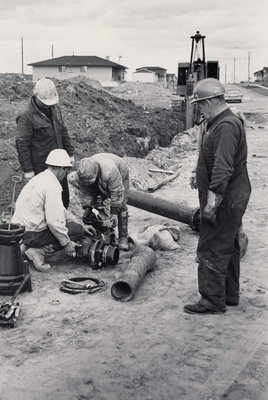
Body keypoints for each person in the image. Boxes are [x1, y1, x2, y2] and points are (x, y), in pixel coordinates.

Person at [183, 78, 251, 314]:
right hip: (230, 195)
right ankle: (229, 295)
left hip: (226, 198)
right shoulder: (220, 123)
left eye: (201, 105)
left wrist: (212, 204)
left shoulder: (225, 126)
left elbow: (223, 168)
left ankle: (212, 300)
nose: (200, 109)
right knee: (228, 244)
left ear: (210, 102)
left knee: (211, 246)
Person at [12, 149, 92, 272]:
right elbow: (54, 222)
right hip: (32, 234)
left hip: (19, 231)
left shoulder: (40, 178)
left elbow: (60, 210)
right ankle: (38, 252)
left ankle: (24, 247)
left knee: (77, 226)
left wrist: (81, 223)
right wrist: (66, 243)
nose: (65, 174)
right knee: (77, 231)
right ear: (61, 169)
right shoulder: (52, 186)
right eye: (66, 171)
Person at [15, 77, 74, 208]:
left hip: (60, 164)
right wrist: (28, 170)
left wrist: (70, 153)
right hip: (41, 167)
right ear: (36, 95)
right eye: (45, 102)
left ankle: (61, 225)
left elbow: (63, 130)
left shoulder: (55, 108)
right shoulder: (26, 115)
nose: (48, 104)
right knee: (45, 204)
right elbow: (22, 143)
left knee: (63, 200)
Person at [68, 153, 130, 251]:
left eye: (90, 181)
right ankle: (101, 234)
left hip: (120, 172)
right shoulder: (80, 175)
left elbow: (117, 192)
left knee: (121, 205)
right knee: (95, 205)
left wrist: (114, 213)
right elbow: (85, 192)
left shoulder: (110, 171)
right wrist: (88, 207)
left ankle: (123, 238)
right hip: (99, 176)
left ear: (96, 173)